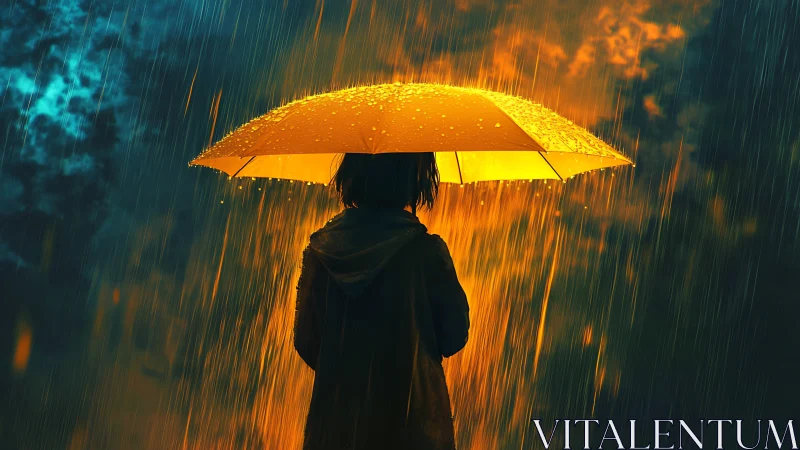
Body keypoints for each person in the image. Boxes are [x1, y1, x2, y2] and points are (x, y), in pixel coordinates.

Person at [293, 152, 471, 450]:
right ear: (415, 180)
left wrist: (350, 370)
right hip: (414, 427)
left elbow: (306, 341)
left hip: (337, 430)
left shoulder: (321, 254)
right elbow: (454, 336)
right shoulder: (426, 253)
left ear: (351, 174)